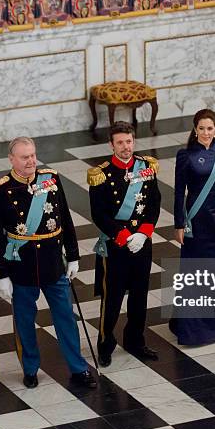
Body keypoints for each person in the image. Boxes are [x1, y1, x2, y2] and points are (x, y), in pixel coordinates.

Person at [0, 137, 96, 389]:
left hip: (52, 262)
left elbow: (65, 219)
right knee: (25, 320)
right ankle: (30, 368)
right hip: (21, 266)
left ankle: (78, 368)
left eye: (33, 155)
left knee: (66, 317)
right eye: (25, 157)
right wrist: (1, 273)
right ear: (11, 159)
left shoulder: (51, 179)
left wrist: (74, 255)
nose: (31, 161)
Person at [87, 121, 161, 367]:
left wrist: (143, 234)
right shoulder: (102, 174)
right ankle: (106, 344)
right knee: (112, 298)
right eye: (120, 142)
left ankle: (135, 341)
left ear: (134, 141)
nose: (125, 146)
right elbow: (99, 214)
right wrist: (123, 236)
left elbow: (154, 204)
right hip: (116, 245)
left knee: (139, 296)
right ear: (111, 144)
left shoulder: (146, 168)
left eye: (128, 141)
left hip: (141, 242)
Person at [170, 109, 215, 346]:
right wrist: (179, 223)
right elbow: (179, 191)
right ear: (194, 130)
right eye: (201, 128)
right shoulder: (185, 155)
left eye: (210, 128)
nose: (206, 133)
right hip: (196, 218)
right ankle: (193, 329)